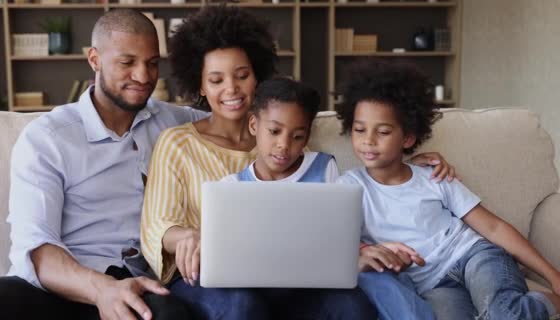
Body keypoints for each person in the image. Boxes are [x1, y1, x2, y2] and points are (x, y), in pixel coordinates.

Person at [140, 6, 452, 319]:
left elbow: (346, 183)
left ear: (257, 77)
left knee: (350, 306)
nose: (231, 89)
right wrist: (186, 236)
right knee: (241, 305)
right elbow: (156, 225)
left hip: (291, 274)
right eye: (216, 79)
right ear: (200, 86)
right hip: (208, 277)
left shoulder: (285, 141)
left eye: (242, 76)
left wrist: (409, 160)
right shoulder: (177, 143)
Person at [0, 9, 206, 320]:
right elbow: (38, 248)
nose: (143, 76)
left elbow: (235, 124)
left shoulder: (174, 122)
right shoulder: (48, 138)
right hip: (60, 284)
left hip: (135, 286)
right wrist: (101, 289)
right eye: (127, 63)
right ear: (95, 60)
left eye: (152, 64)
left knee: (167, 314)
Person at [335, 59, 560, 320]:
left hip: (474, 255)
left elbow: (493, 227)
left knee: (503, 314)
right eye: (359, 129)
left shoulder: (433, 175)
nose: (368, 140)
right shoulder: (348, 187)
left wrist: (551, 274)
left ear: (407, 138)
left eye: (383, 131)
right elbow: (338, 241)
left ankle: (550, 301)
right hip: (432, 285)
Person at [222, 77, 435, 320]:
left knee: (354, 307)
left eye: (298, 136)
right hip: (259, 291)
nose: (283, 145)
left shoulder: (323, 167)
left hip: (314, 291)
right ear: (253, 125)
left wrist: (363, 251)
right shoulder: (231, 187)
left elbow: (339, 235)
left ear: (308, 135)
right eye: (274, 131)